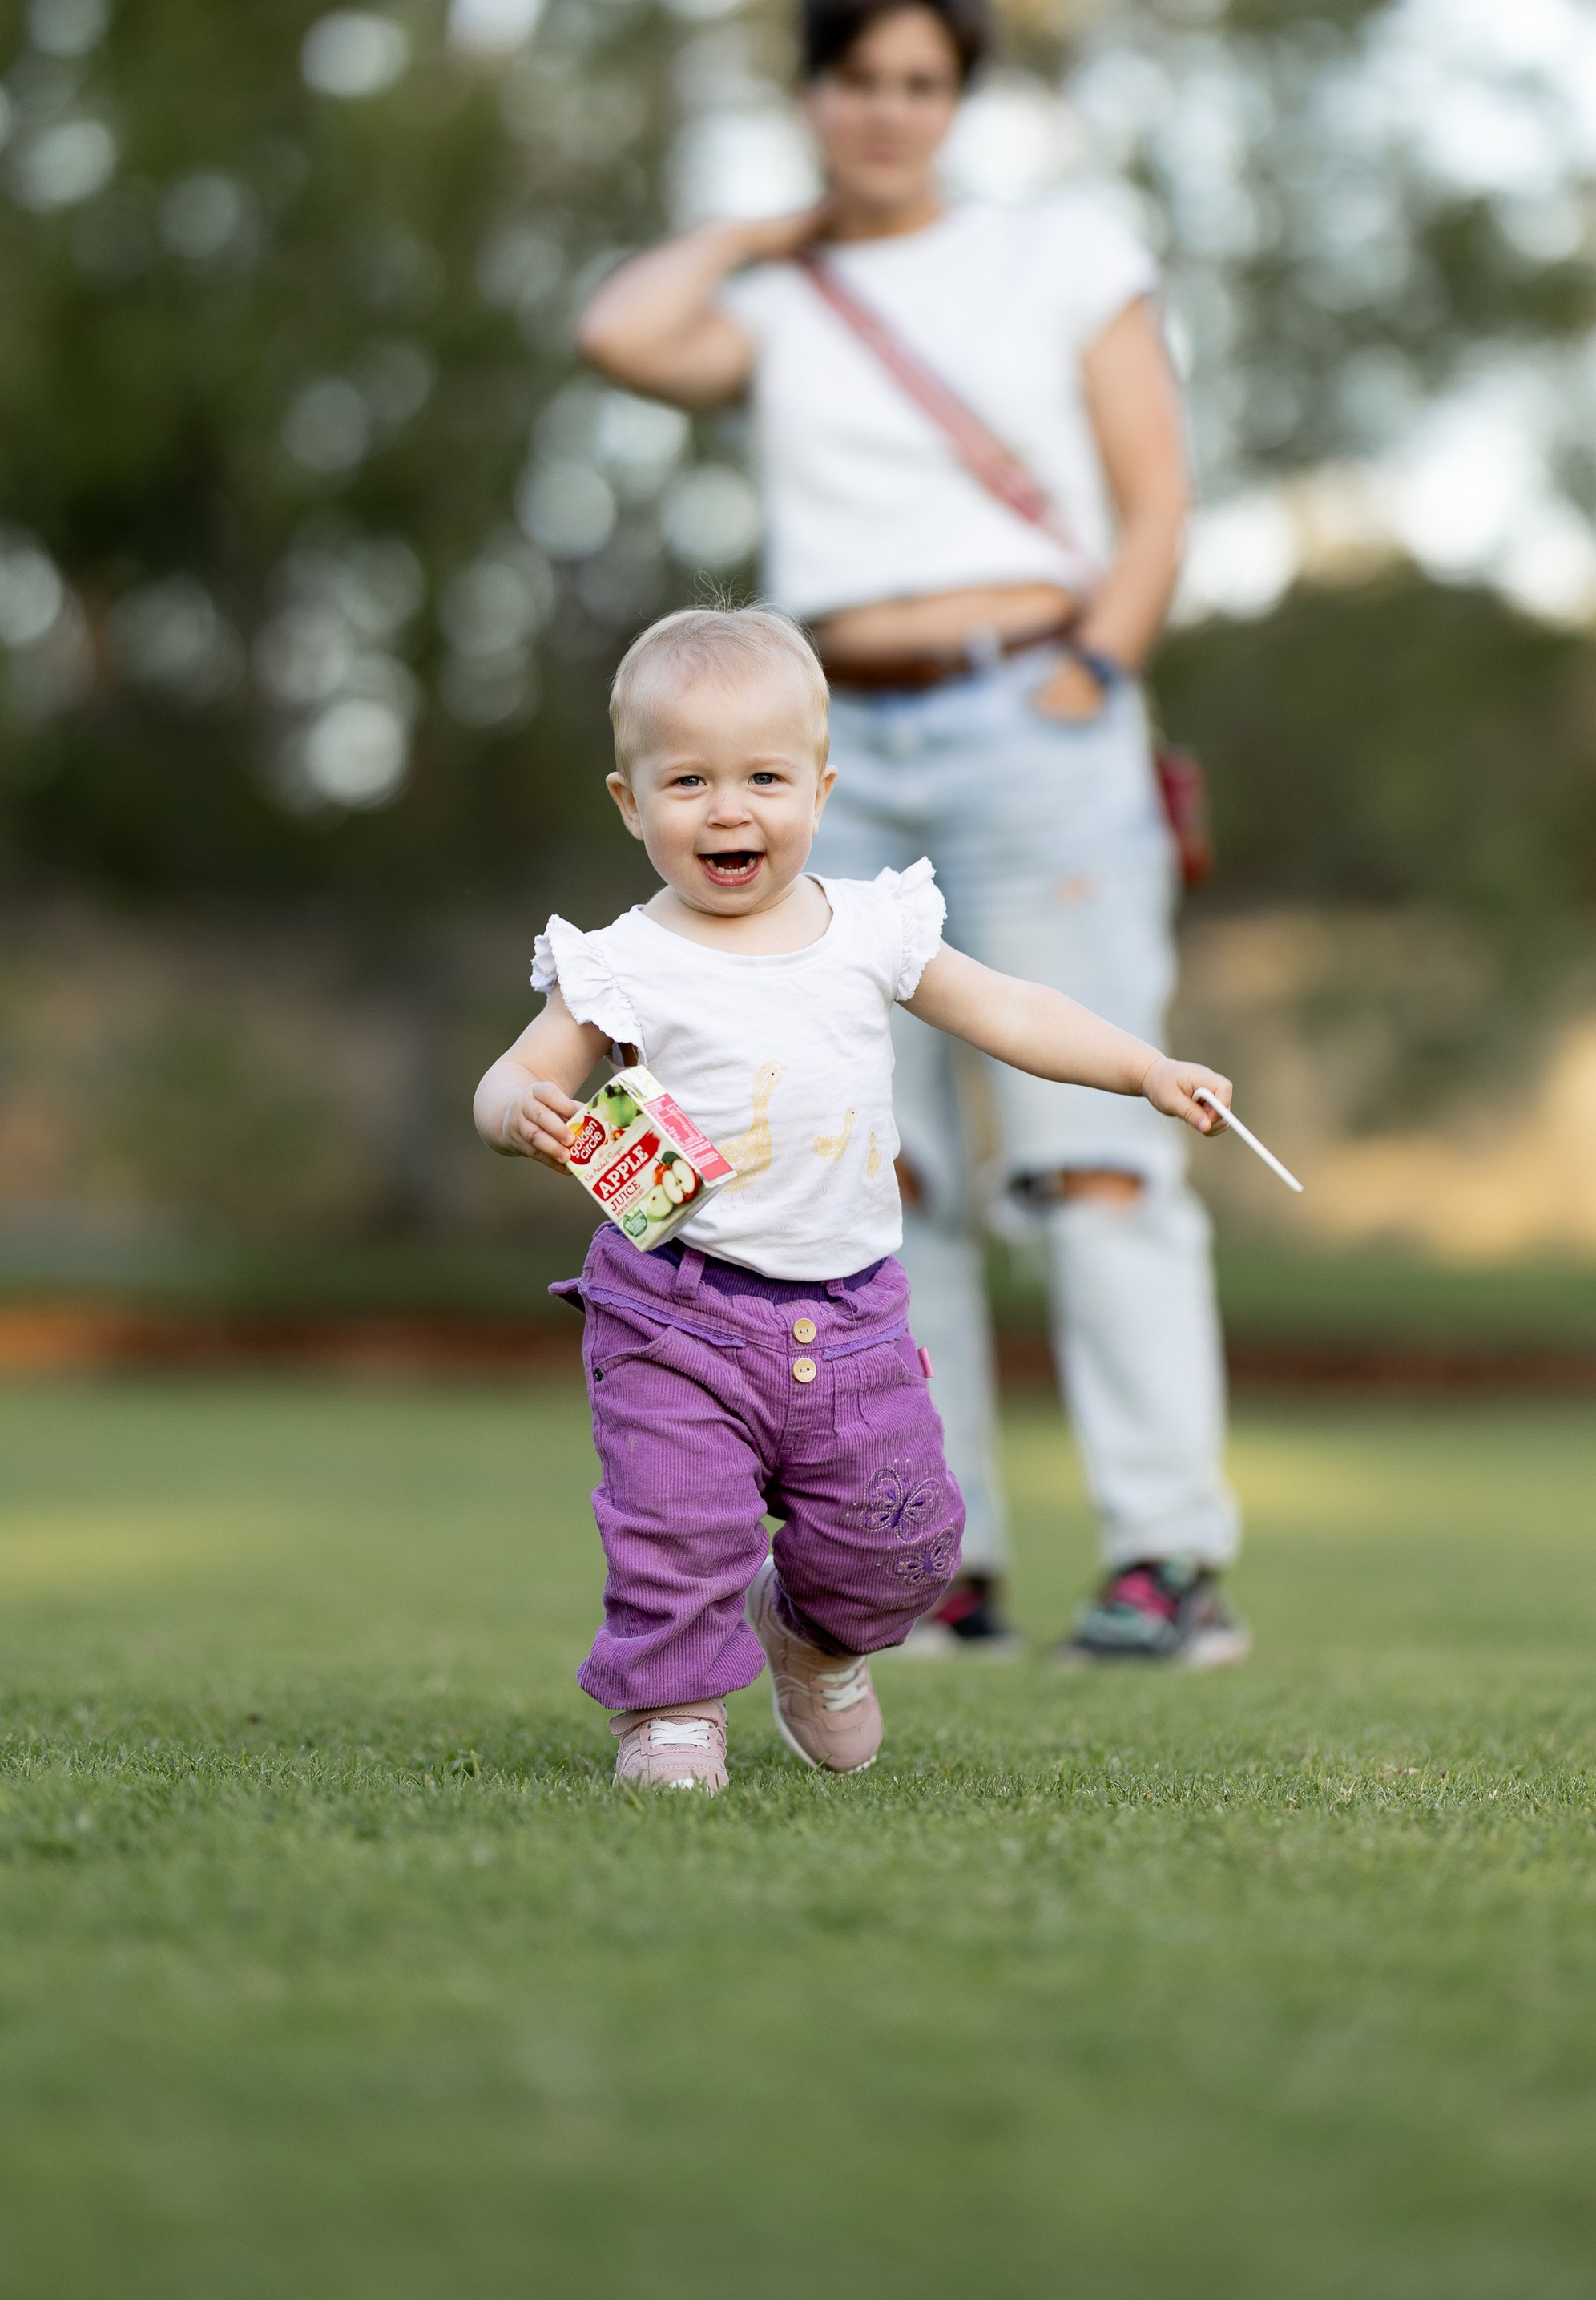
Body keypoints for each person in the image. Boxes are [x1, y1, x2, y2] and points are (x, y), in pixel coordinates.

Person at [578, 0, 1247, 1667]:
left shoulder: (1060, 251)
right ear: (811, 96)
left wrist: (1092, 672)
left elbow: (1156, 497)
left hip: (1031, 720)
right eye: (856, 80)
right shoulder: (784, 300)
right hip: (829, 757)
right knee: (879, 1166)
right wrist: (769, 230)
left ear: (958, 99)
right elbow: (618, 331)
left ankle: (1166, 1560)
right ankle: (936, 1564)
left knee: (1094, 1160)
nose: (887, 113)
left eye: (919, 84)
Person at [473, 606, 1238, 1792]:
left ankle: (817, 1640)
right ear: (630, 802)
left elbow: (1012, 1010)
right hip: (677, 1312)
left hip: (854, 1318)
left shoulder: (872, 928)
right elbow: (513, 1074)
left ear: (822, 791)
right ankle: (673, 1713)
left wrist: (1144, 1069)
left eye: (764, 778)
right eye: (688, 782)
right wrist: (519, 1108)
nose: (729, 811)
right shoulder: (621, 961)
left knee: (909, 1538)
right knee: (676, 1526)